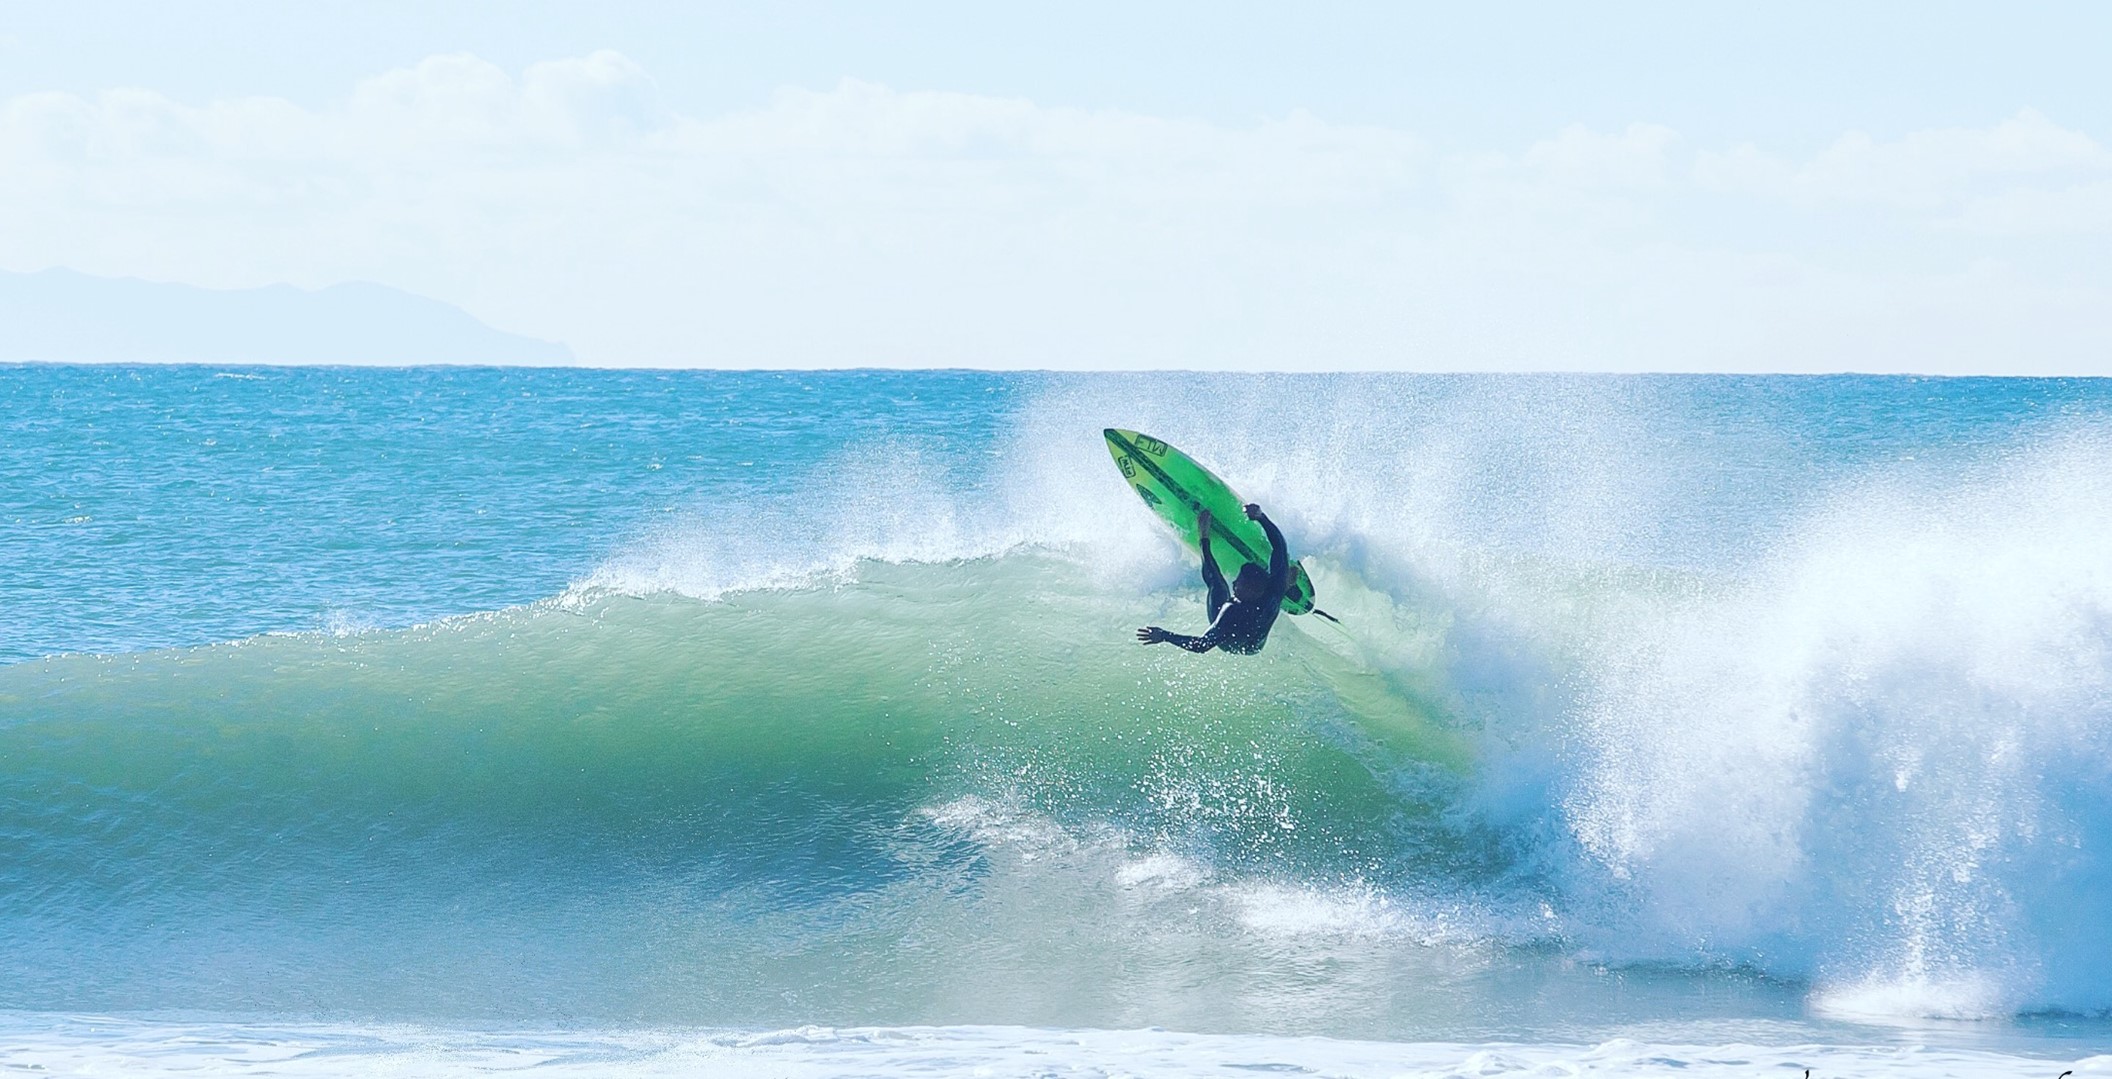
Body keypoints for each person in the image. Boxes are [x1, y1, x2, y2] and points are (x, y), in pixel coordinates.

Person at [1136, 503, 1290, 655]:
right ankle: (1289, 581)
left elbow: (1201, 645)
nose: (1234, 584)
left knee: (1218, 585)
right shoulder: (1275, 589)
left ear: (1252, 589)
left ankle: (1203, 536)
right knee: (1282, 566)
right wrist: (1261, 517)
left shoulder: (1231, 611)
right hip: (1255, 646)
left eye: (1239, 584)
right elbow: (1280, 547)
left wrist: (1164, 635)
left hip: (1230, 645)